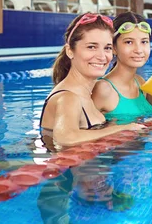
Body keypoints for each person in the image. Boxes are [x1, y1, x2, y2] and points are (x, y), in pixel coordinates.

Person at [40, 13, 145, 149]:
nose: (102, 56)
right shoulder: (68, 97)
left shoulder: (84, 94)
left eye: (107, 48)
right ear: (70, 51)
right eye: (91, 47)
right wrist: (121, 129)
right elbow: (66, 138)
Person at [92, 12, 152, 121]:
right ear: (113, 47)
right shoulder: (103, 89)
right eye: (128, 42)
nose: (138, 50)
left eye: (144, 42)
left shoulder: (140, 82)